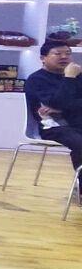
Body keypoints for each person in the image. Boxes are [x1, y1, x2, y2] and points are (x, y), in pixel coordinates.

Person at [25, 39, 82, 170]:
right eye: (58, 53)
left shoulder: (78, 76)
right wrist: (69, 78)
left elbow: (61, 105)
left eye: (68, 53)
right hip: (54, 126)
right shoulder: (36, 79)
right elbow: (58, 102)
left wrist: (62, 109)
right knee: (80, 143)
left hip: (77, 122)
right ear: (43, 58)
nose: (64, 57)